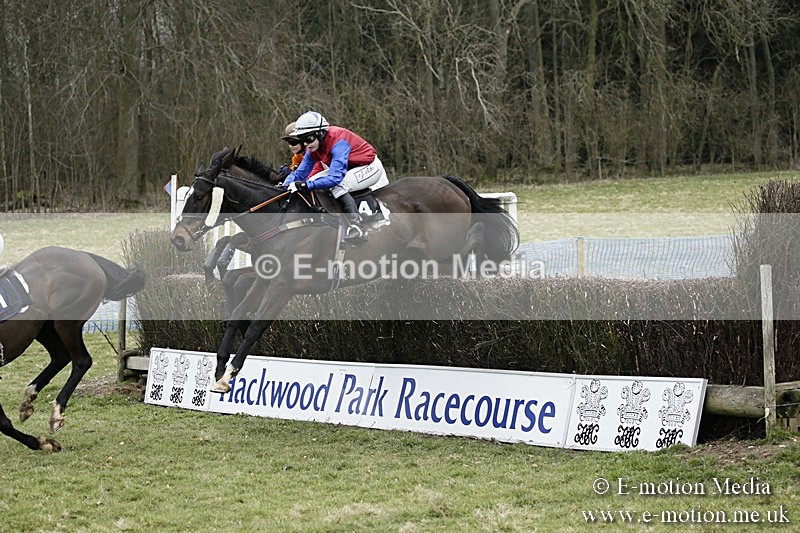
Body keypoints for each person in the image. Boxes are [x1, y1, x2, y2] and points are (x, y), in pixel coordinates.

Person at [282, 110, 389, 242]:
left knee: (338, 186)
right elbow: (300, 173)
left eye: (309, 138)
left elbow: (335, 178)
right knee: (312, 181)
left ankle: (356, 227)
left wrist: (305, 184)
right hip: (349, 168)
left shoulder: (339, 142)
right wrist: (283, 186)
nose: (307, 144)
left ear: (321, 133)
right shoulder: (313, 148)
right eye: (303, 140)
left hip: (368, 167)